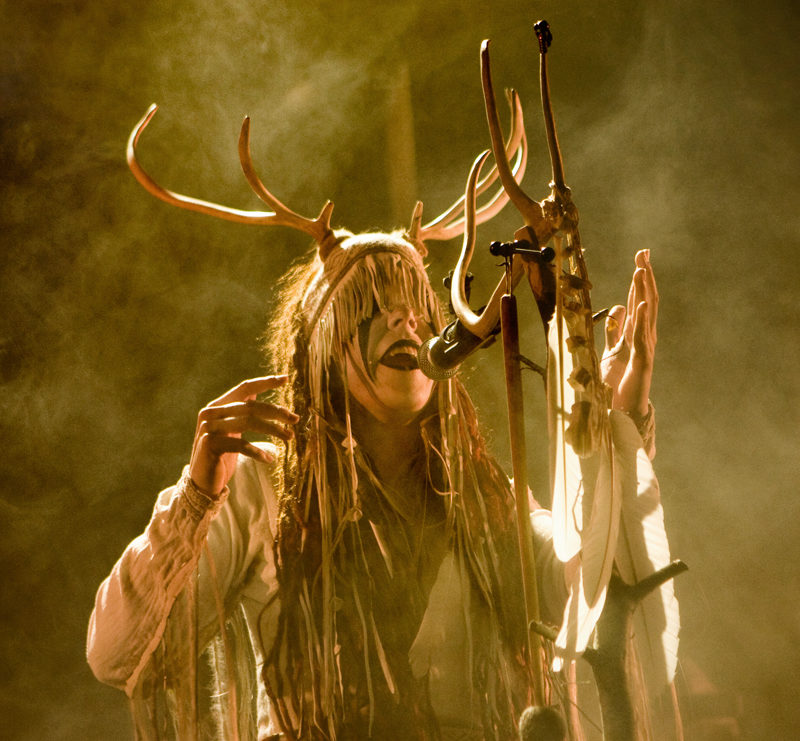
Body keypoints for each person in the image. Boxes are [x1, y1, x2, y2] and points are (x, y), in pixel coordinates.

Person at [87, 207, 659, 739]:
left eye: (416, 305)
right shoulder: (265, 487)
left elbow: (590, 590)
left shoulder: (488, 499)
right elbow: (118, 654)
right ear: (323, 348)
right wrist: (194, 498)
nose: (404, 318)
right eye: (372, 304)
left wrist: (613, 434)